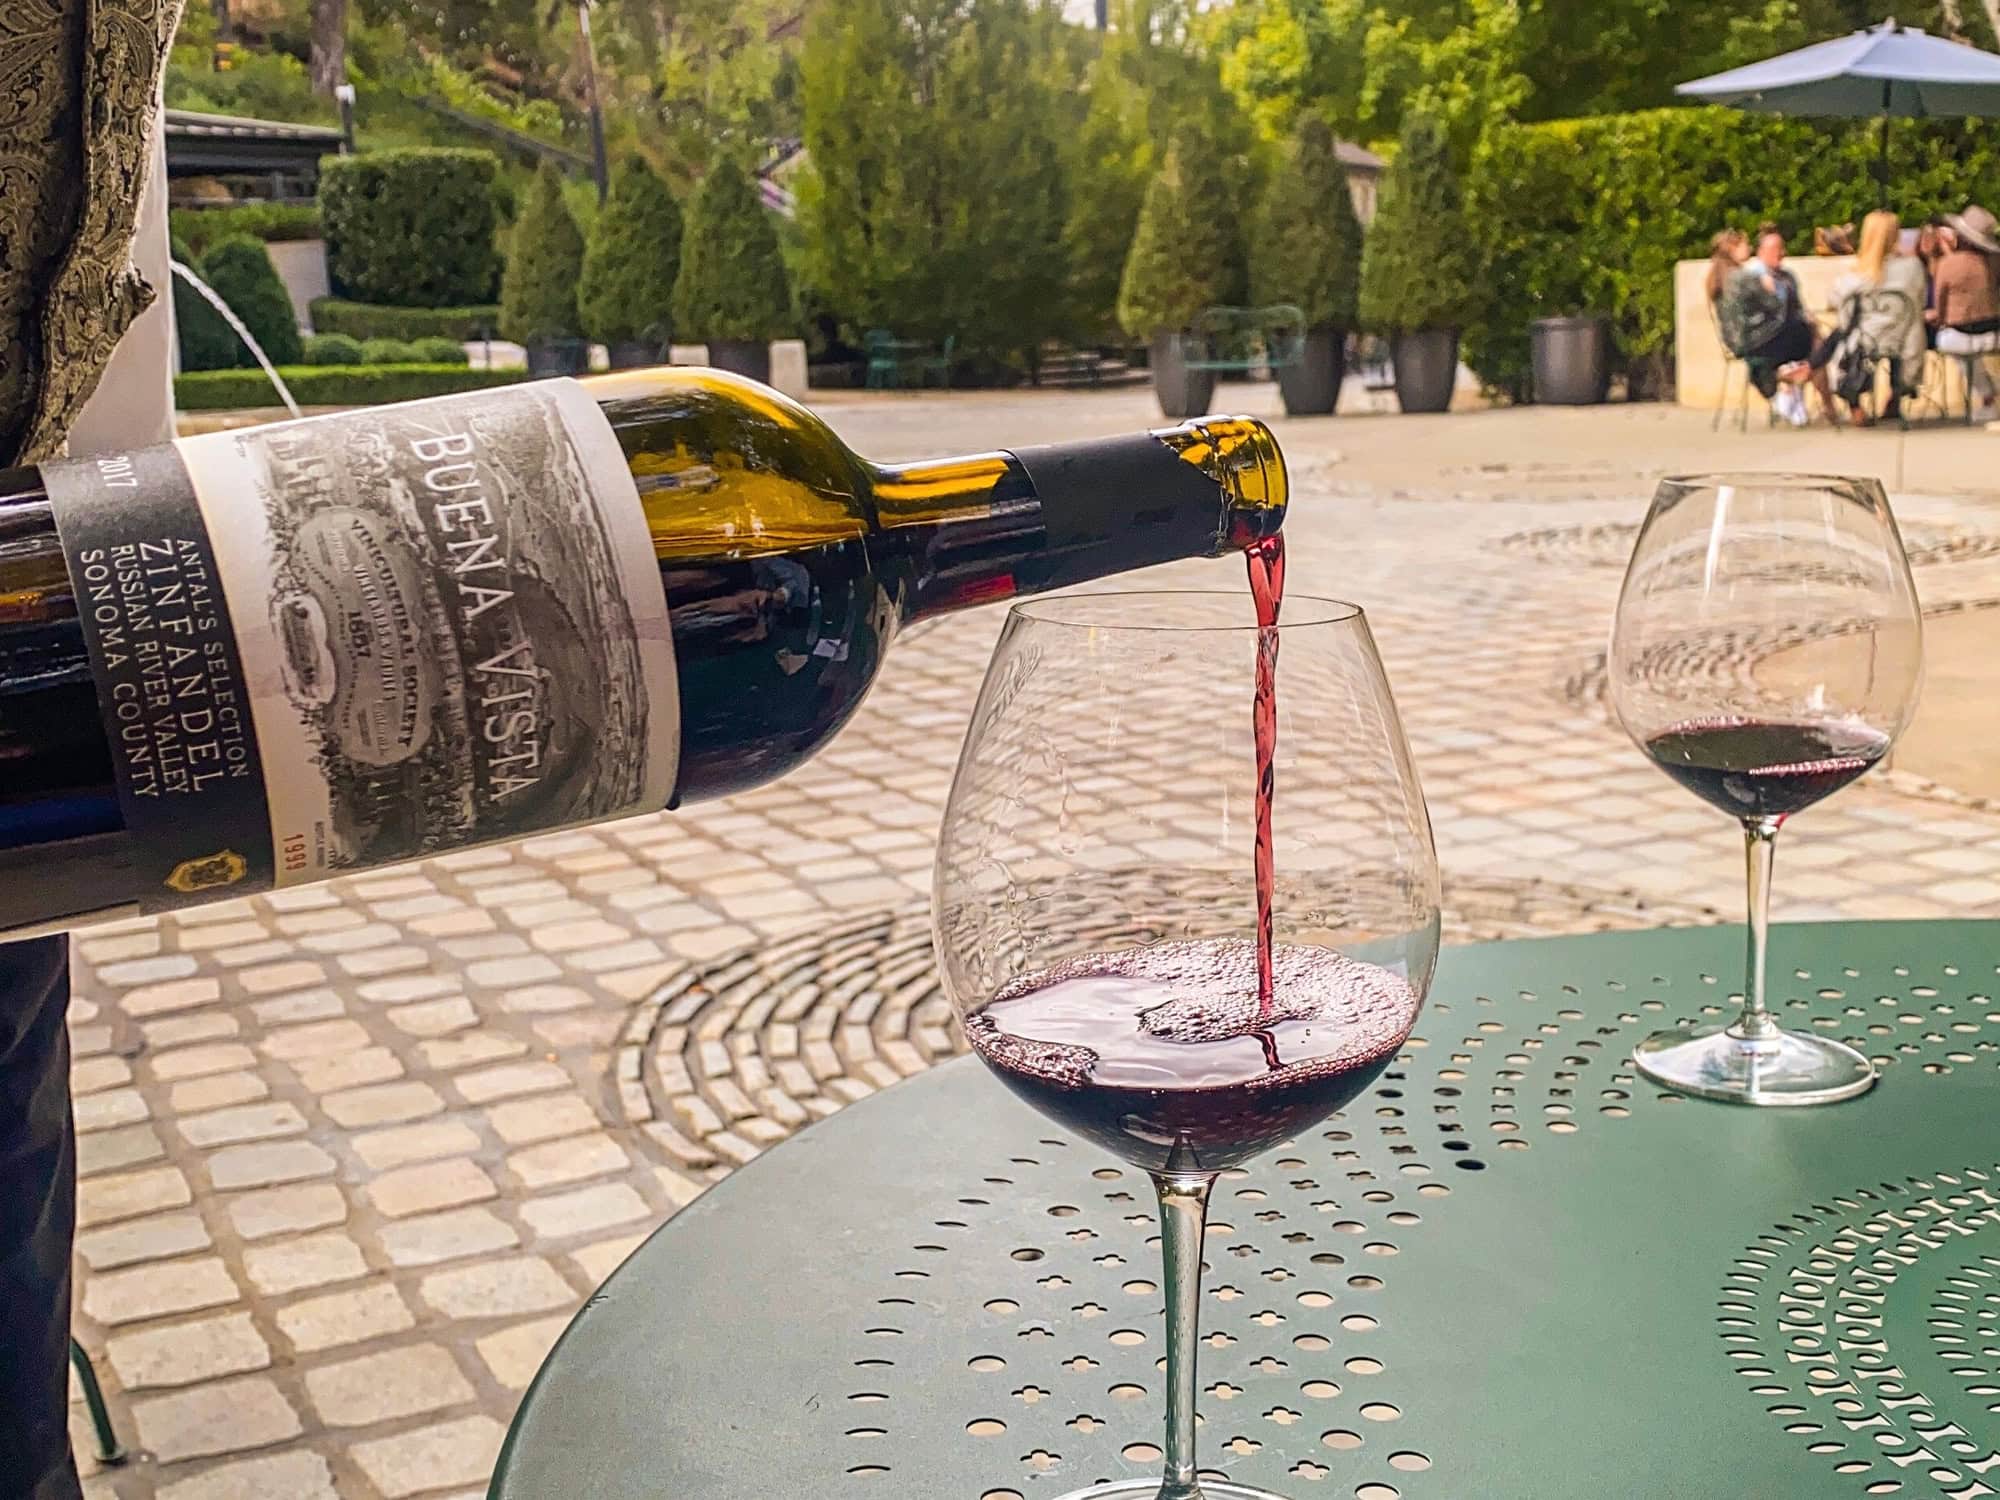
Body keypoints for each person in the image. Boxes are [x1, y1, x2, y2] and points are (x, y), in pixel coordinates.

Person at [1721, 225, 1838, 424]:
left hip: (1787, 335)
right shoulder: (1752, 277)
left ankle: (1798, 382)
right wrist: (1771, 291)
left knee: (1815, 340)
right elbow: (1764, 311)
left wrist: (1807, 316)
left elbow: (1797, 307)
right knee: (1816, 344)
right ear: (1761, 252)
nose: (1781, 254)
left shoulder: (1788, 276)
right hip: (1763, 339)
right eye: (1775, 249)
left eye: (1781, 248)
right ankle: (1812, 395)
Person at [1824, 209, 1928, 424]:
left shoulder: (1856, 274)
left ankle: (1855, 406)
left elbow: (1836, 301)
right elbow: (1920, 301)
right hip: (1901, 339)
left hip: (1864, 340)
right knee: (1898, 336)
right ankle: (1895, 398)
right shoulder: (1913, 268)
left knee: (1846, 336)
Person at [1930, 204, 2000, 421]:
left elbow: (1940, 307)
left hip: (1960, 335)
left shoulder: (1948, 264)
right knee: (1970, 348)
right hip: (1994, 333)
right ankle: (1988, 392)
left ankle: (1987, 393)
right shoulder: (1994, 263)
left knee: (1949, 344)